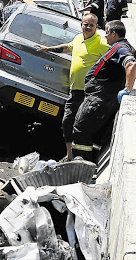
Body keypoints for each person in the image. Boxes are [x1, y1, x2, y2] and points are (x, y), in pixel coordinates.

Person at [38, 14, 110, 161]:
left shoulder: (101, 43)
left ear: (97, 26)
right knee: (67, 121)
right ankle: (69, 155)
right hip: (75, 90)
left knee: (83, 124)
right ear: (81, 25)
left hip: (90, 93)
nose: (88, 27)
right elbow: (67, 48)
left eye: (91, 25)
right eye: (85, 24)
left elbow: (114, 57)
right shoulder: (78, 38)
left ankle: (84, 158)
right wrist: (48, 49)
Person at [71, 20, 136, 161]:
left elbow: (132, 64)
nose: (106, 36)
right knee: (96, 133)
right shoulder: (127, 46)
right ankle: (91, 163)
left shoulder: (120, 48)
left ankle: (79, 165)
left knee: (81, 128)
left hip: (99, 97)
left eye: (107, 33)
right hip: (105, 97)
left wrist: (128, 87)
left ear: (114, 33)